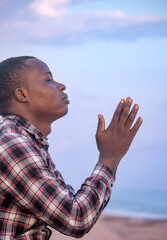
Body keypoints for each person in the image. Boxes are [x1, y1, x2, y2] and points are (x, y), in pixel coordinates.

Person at [0, 56, 143, 239]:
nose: (62, 86)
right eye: (49, 80)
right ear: (22, 95)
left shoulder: (27, 142)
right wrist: (109, 158)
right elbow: (76, 219)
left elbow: (68, 202)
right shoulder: (12, 144)